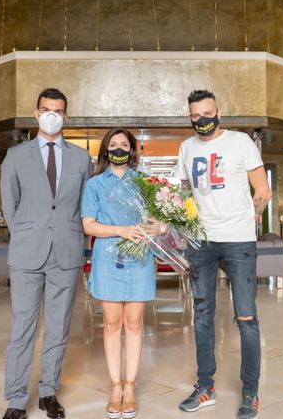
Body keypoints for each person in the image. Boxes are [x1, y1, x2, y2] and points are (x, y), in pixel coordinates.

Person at [174, 89, 272, 419]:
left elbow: (263, 188)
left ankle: (250, 392)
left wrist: (256, 211)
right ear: (190, 117)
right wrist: (172, 213)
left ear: (219, 112)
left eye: (207, 113)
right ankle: (205, 387)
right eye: (195, 115)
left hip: (238, 241)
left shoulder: (241, 142)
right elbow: (183, 191)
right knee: (201, 316)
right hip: (200, 241)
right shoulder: (186, 147)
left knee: (246, 317)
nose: (201, 119)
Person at [0, 88, 92, 419]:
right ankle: (15, 398)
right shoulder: (15, 156)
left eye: (58, 110)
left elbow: (85, 206)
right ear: (37, 113)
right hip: (26, 253)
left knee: (58, 327)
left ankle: (48, 391)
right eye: (46, 109)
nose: (52, 115)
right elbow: (9, 205)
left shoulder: (82, 158)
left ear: (65, 116)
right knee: (22, 327)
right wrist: (27, 231)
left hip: (66, 253)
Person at [81, 128, 161, 419]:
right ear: (104, 151)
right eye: (112, 145)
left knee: (135, 323)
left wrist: (159, 227)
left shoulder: (144, 183)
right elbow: (89, 225)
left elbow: (159, 221)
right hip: (108, 258)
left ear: (132, 150)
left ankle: (131, 387)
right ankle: (115, 387)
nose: (118, 149)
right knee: (112, 324)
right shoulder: (94, 185)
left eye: (123, 144)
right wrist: (120, 230)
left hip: (139, 259)